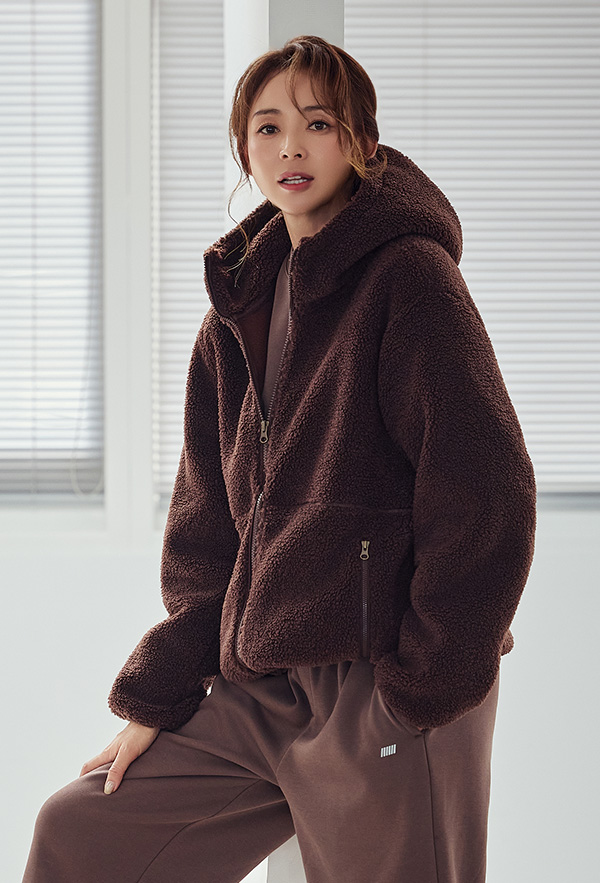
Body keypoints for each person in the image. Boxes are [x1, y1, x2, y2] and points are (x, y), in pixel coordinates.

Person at [23, 34, 537, 883]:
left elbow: (488, 488)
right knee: (80, 834)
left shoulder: (410, 280)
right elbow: (207, 534)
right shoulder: (234, 313)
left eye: (317, 123)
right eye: (267, 128)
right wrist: (161, 693)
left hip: (386, 680)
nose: (290, 147)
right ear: (244, 150)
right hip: (262, 690)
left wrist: (422, 685)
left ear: (360, 141)